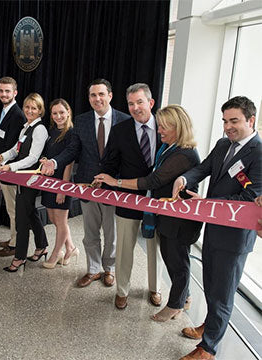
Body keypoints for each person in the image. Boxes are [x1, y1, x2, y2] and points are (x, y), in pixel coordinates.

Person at [172, 96, 261, 360]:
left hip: (234, 239)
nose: (227, 127)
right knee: (210, 284)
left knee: (222, 293)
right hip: (213, 229)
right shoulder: (224, 145)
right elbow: (203, 169)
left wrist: (208, 203)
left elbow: (250, 199)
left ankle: (208, 348)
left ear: (251, 120)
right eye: (224, 121)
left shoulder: (258, 153)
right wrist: (184, 178)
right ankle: (209, 327)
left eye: (234, 121)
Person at [95, 104, 202, 321]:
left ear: (178, 128)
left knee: (176, 261)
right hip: (163, 215)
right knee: (172, 259)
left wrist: (115, 182)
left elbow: (153, 180)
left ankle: (175, 304)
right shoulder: (170, 147)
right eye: (159, 126)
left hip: (178, 220)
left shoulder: (184, 154)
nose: (159, 130)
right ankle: (185, 297)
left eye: (164, 127)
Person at [40, 79, 130, 284]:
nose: (97, 99)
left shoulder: (124, 121)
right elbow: (72, 150)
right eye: (93, 95)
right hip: (86, 185)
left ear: (110, 96)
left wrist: (121, 181)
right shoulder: (81, 121)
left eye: (101, 94)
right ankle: (93, 269)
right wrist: (54, 162)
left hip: (112, 186)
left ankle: (109, 269)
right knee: (90, 232)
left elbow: (127, 155)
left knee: (111, 232)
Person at [101, 83, 164, 310]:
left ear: (151, 103)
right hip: (127, 198)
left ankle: (155, 288)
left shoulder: (166, 127)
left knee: (154, 246)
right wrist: (105, 182)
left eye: (140, 102)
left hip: (158, 200)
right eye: (130, 103)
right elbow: (109, 163)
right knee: (124, 248)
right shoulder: (120, 131)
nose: (136, 107)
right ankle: (122, 291)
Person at [0, 93, 49, 272]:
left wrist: (10, 167)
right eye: (27, 107)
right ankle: (42, 245)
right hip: (22, 178)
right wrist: (5, 156)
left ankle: (19, 258)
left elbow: (33, 158)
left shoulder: (40, 129)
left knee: (22, 219)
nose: (29, 110)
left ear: (40, 110)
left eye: (34, 108)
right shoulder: (26, 127)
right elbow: (16, 149)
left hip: (31, 179)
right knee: (31, 212)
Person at [0, 77, 26, 257]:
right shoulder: (4, 111)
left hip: (10, 169)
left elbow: (15, 147)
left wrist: (5, 165)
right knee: (10, 208)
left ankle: (15, 245)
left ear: (15, 92)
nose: (3, 94)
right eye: (1, 91)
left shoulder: (18, 115)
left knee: (13, 209)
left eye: (7, 91)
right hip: (1, 166)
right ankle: (13, 238)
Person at [41, 99, 76, 268]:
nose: (58, 116)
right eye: (55, 113)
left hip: (62, 182)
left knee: (61, 221)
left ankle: (56, 254)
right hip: (49, 181)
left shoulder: (71, 133)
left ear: (68, 112)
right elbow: (53, 155)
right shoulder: (52, 131)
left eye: (62, 112)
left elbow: (68, 163)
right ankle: (70, 247)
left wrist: (63, 188)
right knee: (53, 218)